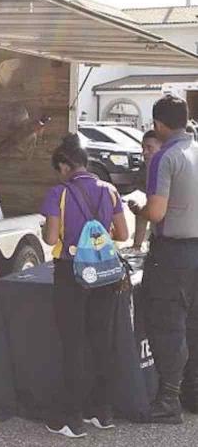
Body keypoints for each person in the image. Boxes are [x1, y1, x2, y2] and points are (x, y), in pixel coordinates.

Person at [41, 134, 129, 438]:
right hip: (106, 273)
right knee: (100, 339)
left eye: (59, 168)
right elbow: (123, 233)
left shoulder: (58, 194)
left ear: (65, 165)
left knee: (73, 343)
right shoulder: (110, 191)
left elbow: (51, 239)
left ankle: (71, 418)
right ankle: (101, 411)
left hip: (71, 272)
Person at [130, 96, 198, 423]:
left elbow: (156, 211)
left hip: (173, 252)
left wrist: (137, 211)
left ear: (159, 124)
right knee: (194, 323)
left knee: (168, 323)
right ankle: (192, 392)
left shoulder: (165, 157)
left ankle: (168, 399)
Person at [130, 130, 162, 250]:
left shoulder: (168, 170)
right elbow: (145, 211)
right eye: (143, 148)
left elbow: (152, 211)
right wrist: (136, 247)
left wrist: (142, 211)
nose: (145, 153)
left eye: (150, 148)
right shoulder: (146, 170)